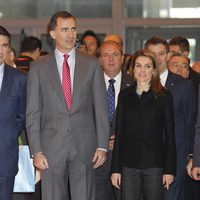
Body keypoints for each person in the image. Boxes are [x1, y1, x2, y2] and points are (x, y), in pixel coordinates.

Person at [26, 10, 110, 200]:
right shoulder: (38, 67)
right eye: (64, 30)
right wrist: (36, 151)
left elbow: (101, 108)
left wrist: (102, 146)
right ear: (53, 33)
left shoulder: (92, 64)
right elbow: (32, 112)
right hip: (50, 148)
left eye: (73, 29)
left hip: (85, 146)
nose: (71, 34)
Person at [111, 49, 176, 200]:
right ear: (132, 69)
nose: (142, 70)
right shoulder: (125, 95)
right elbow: (119, 134)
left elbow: (170, 135)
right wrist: (115, 169)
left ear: (154, 70)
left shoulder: (164, 96)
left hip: (154, 164)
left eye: (147, 66)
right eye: (138, 66)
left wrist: (169, 170)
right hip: (128, 164)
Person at [145, 35, 196, 200]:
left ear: (168, 55)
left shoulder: (183, 85)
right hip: (146, 162)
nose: (157, 59)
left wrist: (192, 156)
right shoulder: (138, 85)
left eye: (161, 54)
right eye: (152, 54)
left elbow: (191, 124)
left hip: (176, 160)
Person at [96, 40, 134, 200]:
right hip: (96, 160)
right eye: (106, 55)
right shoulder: (89, 84)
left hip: (126, 158)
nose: (111, 59)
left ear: (123, 58)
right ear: (99, 60)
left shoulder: (135, 84)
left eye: (115, 54)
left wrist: (124, 138)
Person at [0, 26, 26, 200]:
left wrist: (7, 136)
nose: (1, 50)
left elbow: (21, 117)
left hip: (5, 158)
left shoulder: (19, 79)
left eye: (4, 45)